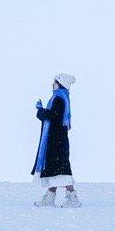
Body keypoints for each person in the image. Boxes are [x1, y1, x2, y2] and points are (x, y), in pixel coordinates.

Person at [32, 73, 79, 208]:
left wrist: (41, 111)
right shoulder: (60, 97)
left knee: (61, 169)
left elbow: (54, 117)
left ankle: (73, 198)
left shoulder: (59, 98)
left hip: (56, 140)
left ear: (61, 83)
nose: (52, 84)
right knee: (54, 169)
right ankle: (50, 199)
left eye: (55, 82)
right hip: (56, 140)